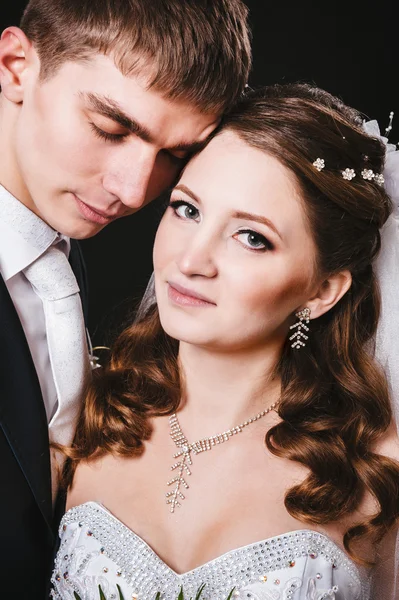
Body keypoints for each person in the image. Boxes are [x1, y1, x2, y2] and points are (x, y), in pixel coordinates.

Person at [52, 84, 399, 600]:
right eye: (187, 210)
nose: (191, 260)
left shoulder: (376, 468)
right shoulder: (85, 411)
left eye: (251, 237)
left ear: (322, 291)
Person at [0, 0, 251, 595]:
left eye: (174, 155)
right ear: (14, 66)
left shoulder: (62, 242)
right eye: (110, 129)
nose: (135, 190)